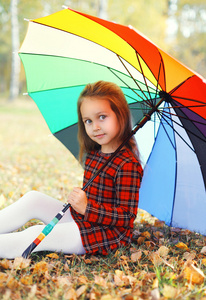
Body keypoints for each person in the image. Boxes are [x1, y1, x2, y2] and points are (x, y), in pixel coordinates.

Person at [0, 81, 143, 259]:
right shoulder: (95, 154)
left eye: (102, 117)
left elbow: (126, 217)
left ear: (120, 115)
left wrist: (87, 207)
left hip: (105, 234)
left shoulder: (127, 164)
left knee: (36, 233)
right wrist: (81, 203)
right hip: (84, 219)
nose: (95, 126)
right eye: (88, 121)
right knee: (33, 199)